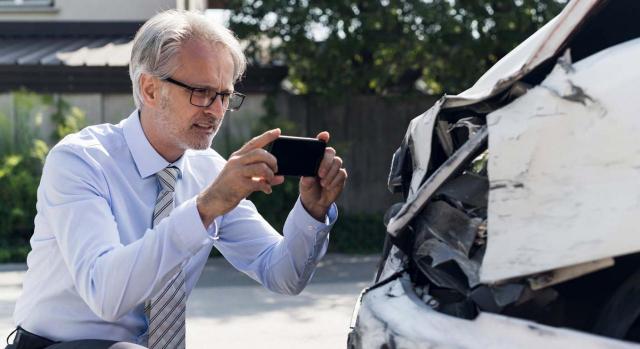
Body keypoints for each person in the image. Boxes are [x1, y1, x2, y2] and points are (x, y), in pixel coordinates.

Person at [7, 9, 347, 349]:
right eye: (201, 92)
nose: (215, 110)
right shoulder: (81, 161)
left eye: (224, 96)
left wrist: (311, 213)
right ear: (150, 89)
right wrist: (203, 209)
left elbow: (283, 275)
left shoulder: (208, 171)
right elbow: (105, 295)